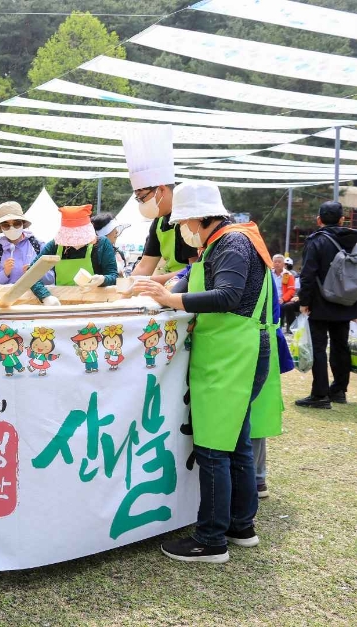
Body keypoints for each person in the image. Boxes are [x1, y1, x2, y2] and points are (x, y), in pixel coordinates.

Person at [133, 181, 283, 563]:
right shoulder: (225, 241)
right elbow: (201, 281)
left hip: (235, 352)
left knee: (215, 447)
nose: (184, 227)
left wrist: (170, 298)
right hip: (234, 350)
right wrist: (167, 288)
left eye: (185, 221)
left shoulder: (232, 243)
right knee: (236, 442)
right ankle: (240, 525)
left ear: (199, 217)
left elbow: (228, 296)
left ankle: (211, 540)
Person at [295, 201, 357, 409]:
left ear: (319, 219)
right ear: (342, 219)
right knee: (341, 346)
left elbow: (308, 274)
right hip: (347, 301)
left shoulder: (317, 241)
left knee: (319, 348)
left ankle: (320, 395)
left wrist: (304, 302)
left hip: (320, 303)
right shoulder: (353, 239)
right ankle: (339, 390)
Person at [122, 124, 198, 283]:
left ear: (162, 190)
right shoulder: (159, 223)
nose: (141, 204)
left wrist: (151, 281)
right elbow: (144, 266)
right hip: (169, 288)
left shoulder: (191, 216)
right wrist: (126, 286)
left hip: (189, 293)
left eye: (142, 197)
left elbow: (195, 269)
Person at [30, 205, 118, 305]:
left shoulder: (102, 244)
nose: (76, 243)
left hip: (95, 305)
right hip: (62, 305)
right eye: (71, 239)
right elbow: (30, 273)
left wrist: (103, 279)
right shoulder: (54, 246)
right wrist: (45, 296)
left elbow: (113, 276)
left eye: (80, 238)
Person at [0, 202, 42, 286]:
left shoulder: (37, 245)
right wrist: (4, 273)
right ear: (0, 227)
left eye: (16, 223)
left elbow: (52, 278)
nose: (12, 228)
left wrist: (35, 273)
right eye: (6, 225)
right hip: (5, 298)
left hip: (34, 298)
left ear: (23, 223)